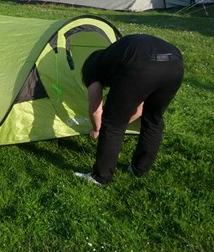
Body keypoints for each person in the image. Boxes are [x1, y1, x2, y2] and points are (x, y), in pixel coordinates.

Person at [74, 34, 184, 185]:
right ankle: (139, 169)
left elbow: (95, 107)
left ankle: (101, 177)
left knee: (113, 124)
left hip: (142, 65)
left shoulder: (92, 69)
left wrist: (97, 129)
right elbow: (140, 107)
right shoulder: (113, 58)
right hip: (175, 65)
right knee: (153, 119)